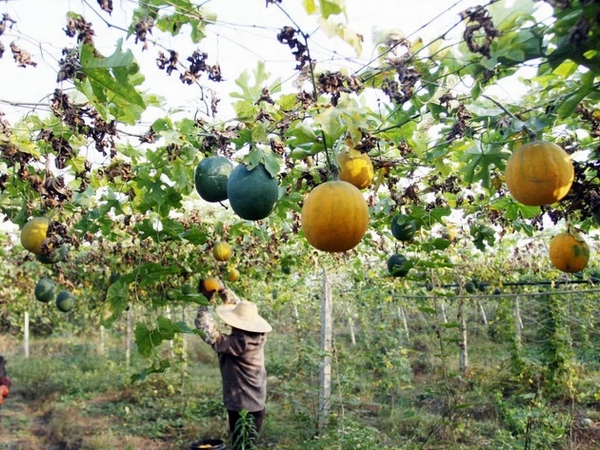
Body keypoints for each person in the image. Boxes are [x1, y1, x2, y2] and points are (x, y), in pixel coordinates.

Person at [194, 279, 272, 449]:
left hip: (242, 405)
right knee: (247, 444)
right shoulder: (258, 335)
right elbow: (240, 307)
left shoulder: (239, 342)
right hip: (256, 403)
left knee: (241, 444)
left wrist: (204, 301)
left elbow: (207, 331)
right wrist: (223, 290)